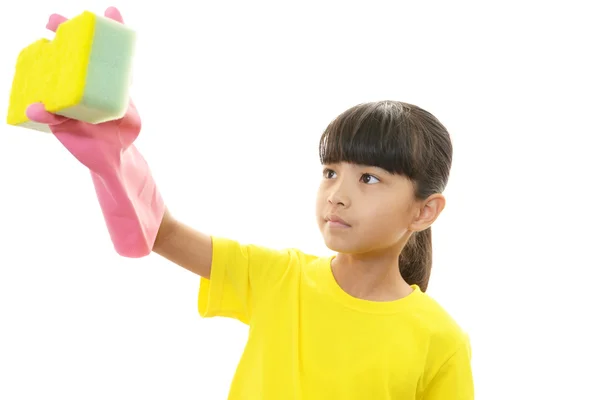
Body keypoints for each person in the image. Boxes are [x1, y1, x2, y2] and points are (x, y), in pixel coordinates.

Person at [26, 7, 474, 399]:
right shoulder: (279, 278)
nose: (338, 194)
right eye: (331, 172)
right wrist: (117, 157)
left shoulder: (440, 339)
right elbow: (160, 233)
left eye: (370, 178)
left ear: (424, 210)